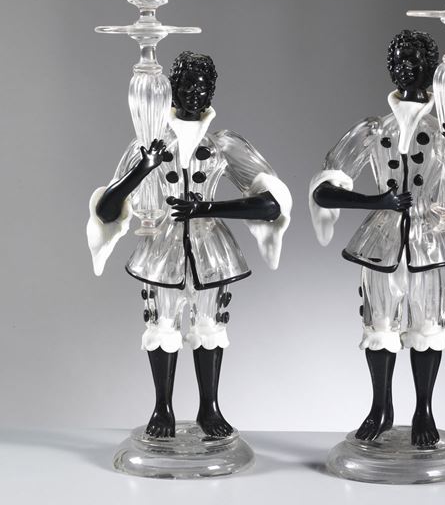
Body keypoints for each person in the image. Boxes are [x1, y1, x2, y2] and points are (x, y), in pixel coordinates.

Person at [309, 30, 445, 446]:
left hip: (429, 242)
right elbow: (324, 190)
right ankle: (381, 408)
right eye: (397, 60)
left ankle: (423, 410)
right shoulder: (373, 129)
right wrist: (376, 200)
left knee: (428, 326)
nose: (404, 67)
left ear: (431, 68)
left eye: (413, 60)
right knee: (379, 324)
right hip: (380, 243)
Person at [87, 51, 292, 438]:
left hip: (211, 251)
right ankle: (162, 408)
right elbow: (107, 210)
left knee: (210, 326)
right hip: (160, 250)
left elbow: (271, 205)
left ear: (212, 90)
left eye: (203, 86)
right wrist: (142, 169)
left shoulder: (223, 145)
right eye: (186, 84)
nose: (195, 92)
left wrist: (208, 208)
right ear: (171, 90)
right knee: (160, 324)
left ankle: (209, 408)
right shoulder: (148, 144)